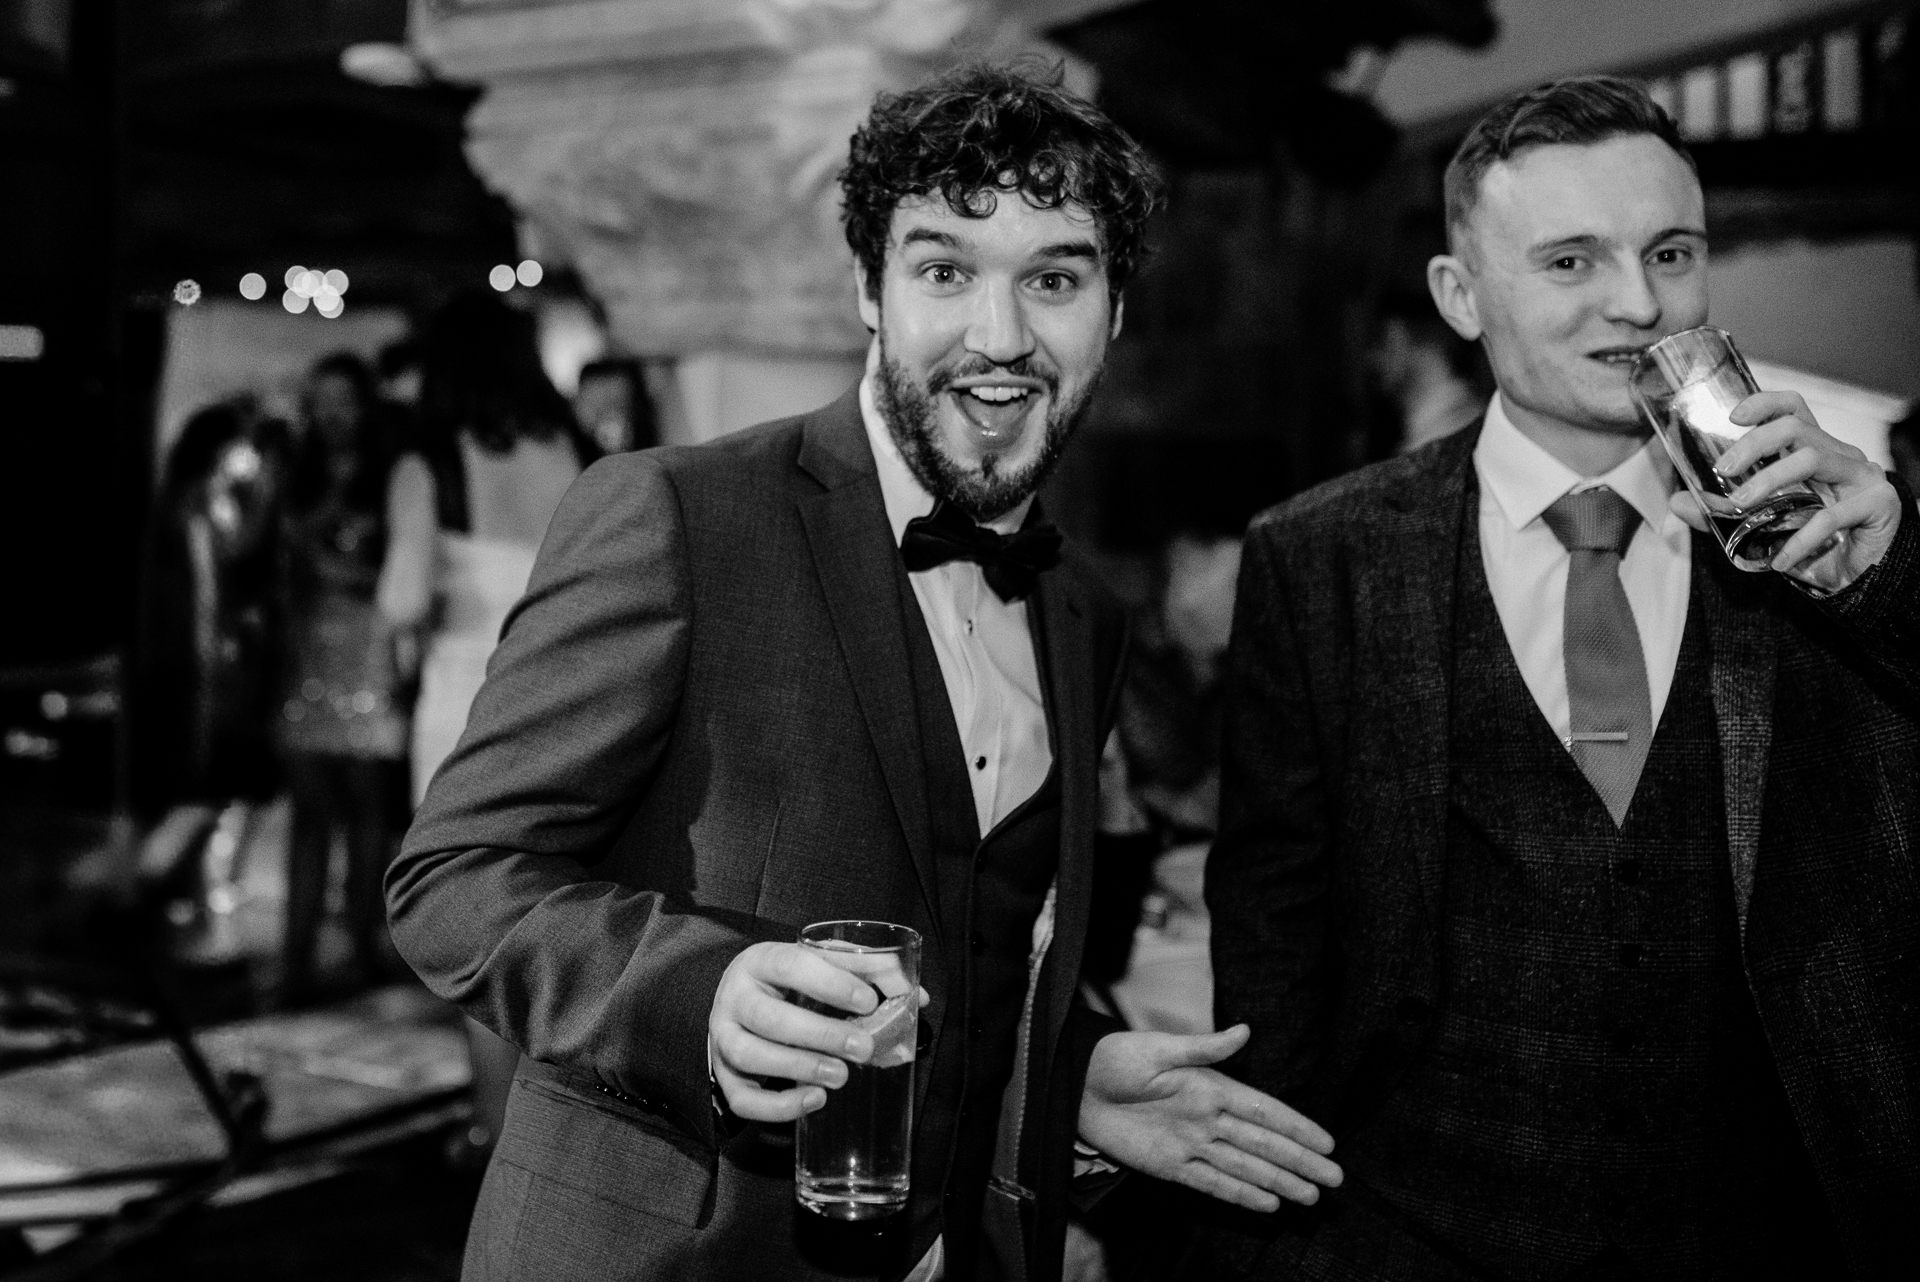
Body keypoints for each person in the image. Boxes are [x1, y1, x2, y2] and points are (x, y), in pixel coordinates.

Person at [387, 64, 1342, 1282]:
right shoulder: (678, 516)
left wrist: (1064, 1076)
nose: (1000, 340)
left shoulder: (1082, 613)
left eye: (1054, 279)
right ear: (868, 292)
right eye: (946, 271)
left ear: (1115, 312)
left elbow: (975, 933)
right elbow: (453, 878)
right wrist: (702, 995)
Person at [1197, 77, 1918, 1281]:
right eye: (1573, 261)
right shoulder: (1319, 557)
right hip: (1412, 1232)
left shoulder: (1823, 524)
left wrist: (1891, 577)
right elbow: (1274, 930)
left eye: (1671, 252)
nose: (1637, 303)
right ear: (1459, 296)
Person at [377, 293, 593, 1153]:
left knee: (471, 922)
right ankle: (546, 1131)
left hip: (465, 708)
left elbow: (399, 598)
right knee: (553, 921)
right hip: (568, 705)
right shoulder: (570, 449)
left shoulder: (429, 463)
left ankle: (491, 1130)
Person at [277, 352, 410, 1005]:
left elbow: (398, 579)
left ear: (365, 406)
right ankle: (294, 958)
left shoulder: (391, 478)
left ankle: (361, 945)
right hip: (305, 655)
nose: (331, 414)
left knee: (367, 812)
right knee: (309, 814)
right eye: (320, 400)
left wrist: (326, 565)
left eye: (343, 400)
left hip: (369, 648)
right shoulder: (294, 476)